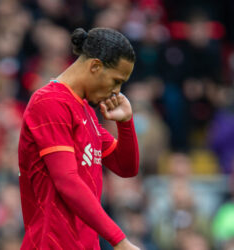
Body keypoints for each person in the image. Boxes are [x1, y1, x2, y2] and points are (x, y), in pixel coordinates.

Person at [18, 27, 140, 249]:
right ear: (95, 66)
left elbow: (126, 168)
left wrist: (125, 123)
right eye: (116, 81)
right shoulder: (50, 102)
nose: (117, 91)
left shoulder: (84, 110)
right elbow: (67, 180)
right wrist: (119, 240)